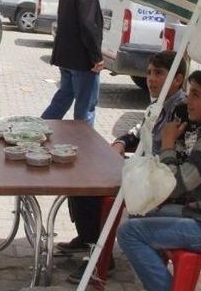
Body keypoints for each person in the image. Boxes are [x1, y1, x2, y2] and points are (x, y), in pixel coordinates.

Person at [117, 69, 201, 291]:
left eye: (196, 96)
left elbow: (176, 185)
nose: (188, 101)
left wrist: (169, 142)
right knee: (140, 211)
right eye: (189, 93)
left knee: (129, 232)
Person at [61, 50, 191, 284]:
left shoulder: (182, 110)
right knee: (81, 168)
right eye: (149, 73)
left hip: (162, 182)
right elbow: (140, 130)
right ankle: (88, 237)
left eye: (159, 74)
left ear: (178, 79)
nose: (151, 79)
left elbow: (177, 161)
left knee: (89, 184)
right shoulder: (159, 104)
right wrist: (121, 142)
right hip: (146, 169)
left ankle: (100, 256)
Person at [40, 0, 103, 128]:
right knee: (86, 107)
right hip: (82, 59)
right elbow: (88, 24)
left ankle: (39, 128)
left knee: (63, 98)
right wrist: (96, 57)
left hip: (65, 56)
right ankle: (84, 144)